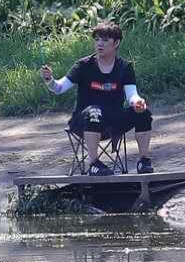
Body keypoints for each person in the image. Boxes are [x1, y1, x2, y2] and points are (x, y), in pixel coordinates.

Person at [40, 20, 156, 175]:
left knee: (144, 112)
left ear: (116, 43)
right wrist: (50, 80)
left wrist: (138, 103)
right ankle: (94, 164)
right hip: (84, 121)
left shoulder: (125, 67)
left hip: (113, 120)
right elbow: (59, 88)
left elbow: (131, 95)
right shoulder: (83, 65)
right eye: (97, 40)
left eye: (105, 40)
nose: (99, 44)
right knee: (94, 112)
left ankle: (144, 161)